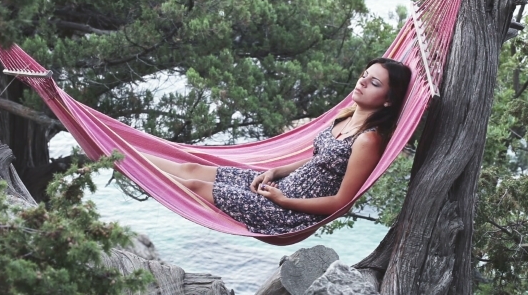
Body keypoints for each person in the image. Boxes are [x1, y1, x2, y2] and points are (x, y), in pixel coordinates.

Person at [143, 58, 412, 235]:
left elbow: (340, 202)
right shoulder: (346, 115)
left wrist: (285, 201)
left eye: (374, 83)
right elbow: (318, 160)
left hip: (284, 214)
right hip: (278, 189)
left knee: (193, 187)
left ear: (388, 100)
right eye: (364, 75)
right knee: (191, 168)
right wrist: (277, 171)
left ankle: (127, 167)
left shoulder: (368, 140)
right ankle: (125, 155)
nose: (362, 82)